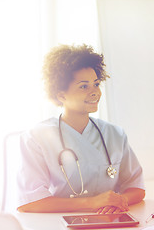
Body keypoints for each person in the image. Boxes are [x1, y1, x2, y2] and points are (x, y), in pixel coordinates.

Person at [17, 44, 145, 214]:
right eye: (84, 86)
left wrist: (118, 201)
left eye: (96, 84)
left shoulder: (115, 134)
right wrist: (92, 203)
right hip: (58, 222)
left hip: (109, 220)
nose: (95, 92)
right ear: (61, 95)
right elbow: (30, 202)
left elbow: (136, 187)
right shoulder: (37, 137)